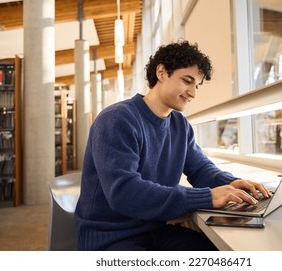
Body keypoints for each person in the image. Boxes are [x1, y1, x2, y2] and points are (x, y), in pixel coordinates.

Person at [74, 40, 270, 251]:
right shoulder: (117, 119)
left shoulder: (179, 124)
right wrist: (207, 196)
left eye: (196, 85)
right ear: (161, 72)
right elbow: (124, 192)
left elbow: (201, 169)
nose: (193, 93)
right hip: (111, 238)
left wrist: (233, 184)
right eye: (187, 81)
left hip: (154, 231)